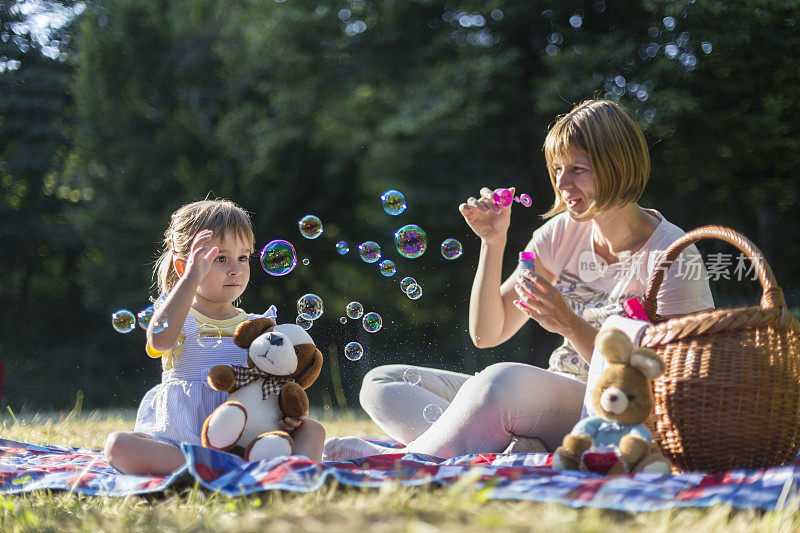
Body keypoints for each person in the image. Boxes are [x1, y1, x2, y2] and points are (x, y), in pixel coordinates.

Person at [323, 99, 714, 460]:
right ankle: (514, 445)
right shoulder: (560, 233)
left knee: (500, 382)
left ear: (618, 165)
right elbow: (487, 333)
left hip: (611, 413)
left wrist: (571, 326)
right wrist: (493, 243)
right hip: (548, 398)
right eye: (557, 170)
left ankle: (400, 462)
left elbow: (671, 388)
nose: (562, 185)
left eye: (577, 169)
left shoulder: (673, 255)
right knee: (382, 382)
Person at [105, 199, 325, 475]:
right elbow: (159, 341)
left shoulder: (257, 326)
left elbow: (275, 383)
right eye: (220, 258)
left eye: (242, 257)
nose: (235, 268)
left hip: (248, 439)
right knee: (118, 445)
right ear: (184, 267)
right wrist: (189, 281)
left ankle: (281, 474)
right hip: (180, 439)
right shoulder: (177, 316)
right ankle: (223, 469)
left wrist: (290, 416)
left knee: (313, 430)